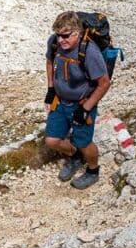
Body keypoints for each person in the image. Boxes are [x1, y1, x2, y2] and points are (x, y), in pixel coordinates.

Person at [44, 11, 111, 189]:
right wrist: (51, 90)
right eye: (58, 35)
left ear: (77, 32)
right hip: (60, 100)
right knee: (52, 140)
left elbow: (104, 83)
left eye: (65, 36)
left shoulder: (89, 51)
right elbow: (50, 62)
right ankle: (75, 157)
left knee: (84, 142)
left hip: (81, 103)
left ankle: (93, 170)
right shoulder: (54, 43)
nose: (60, 40)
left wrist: (86, 108)